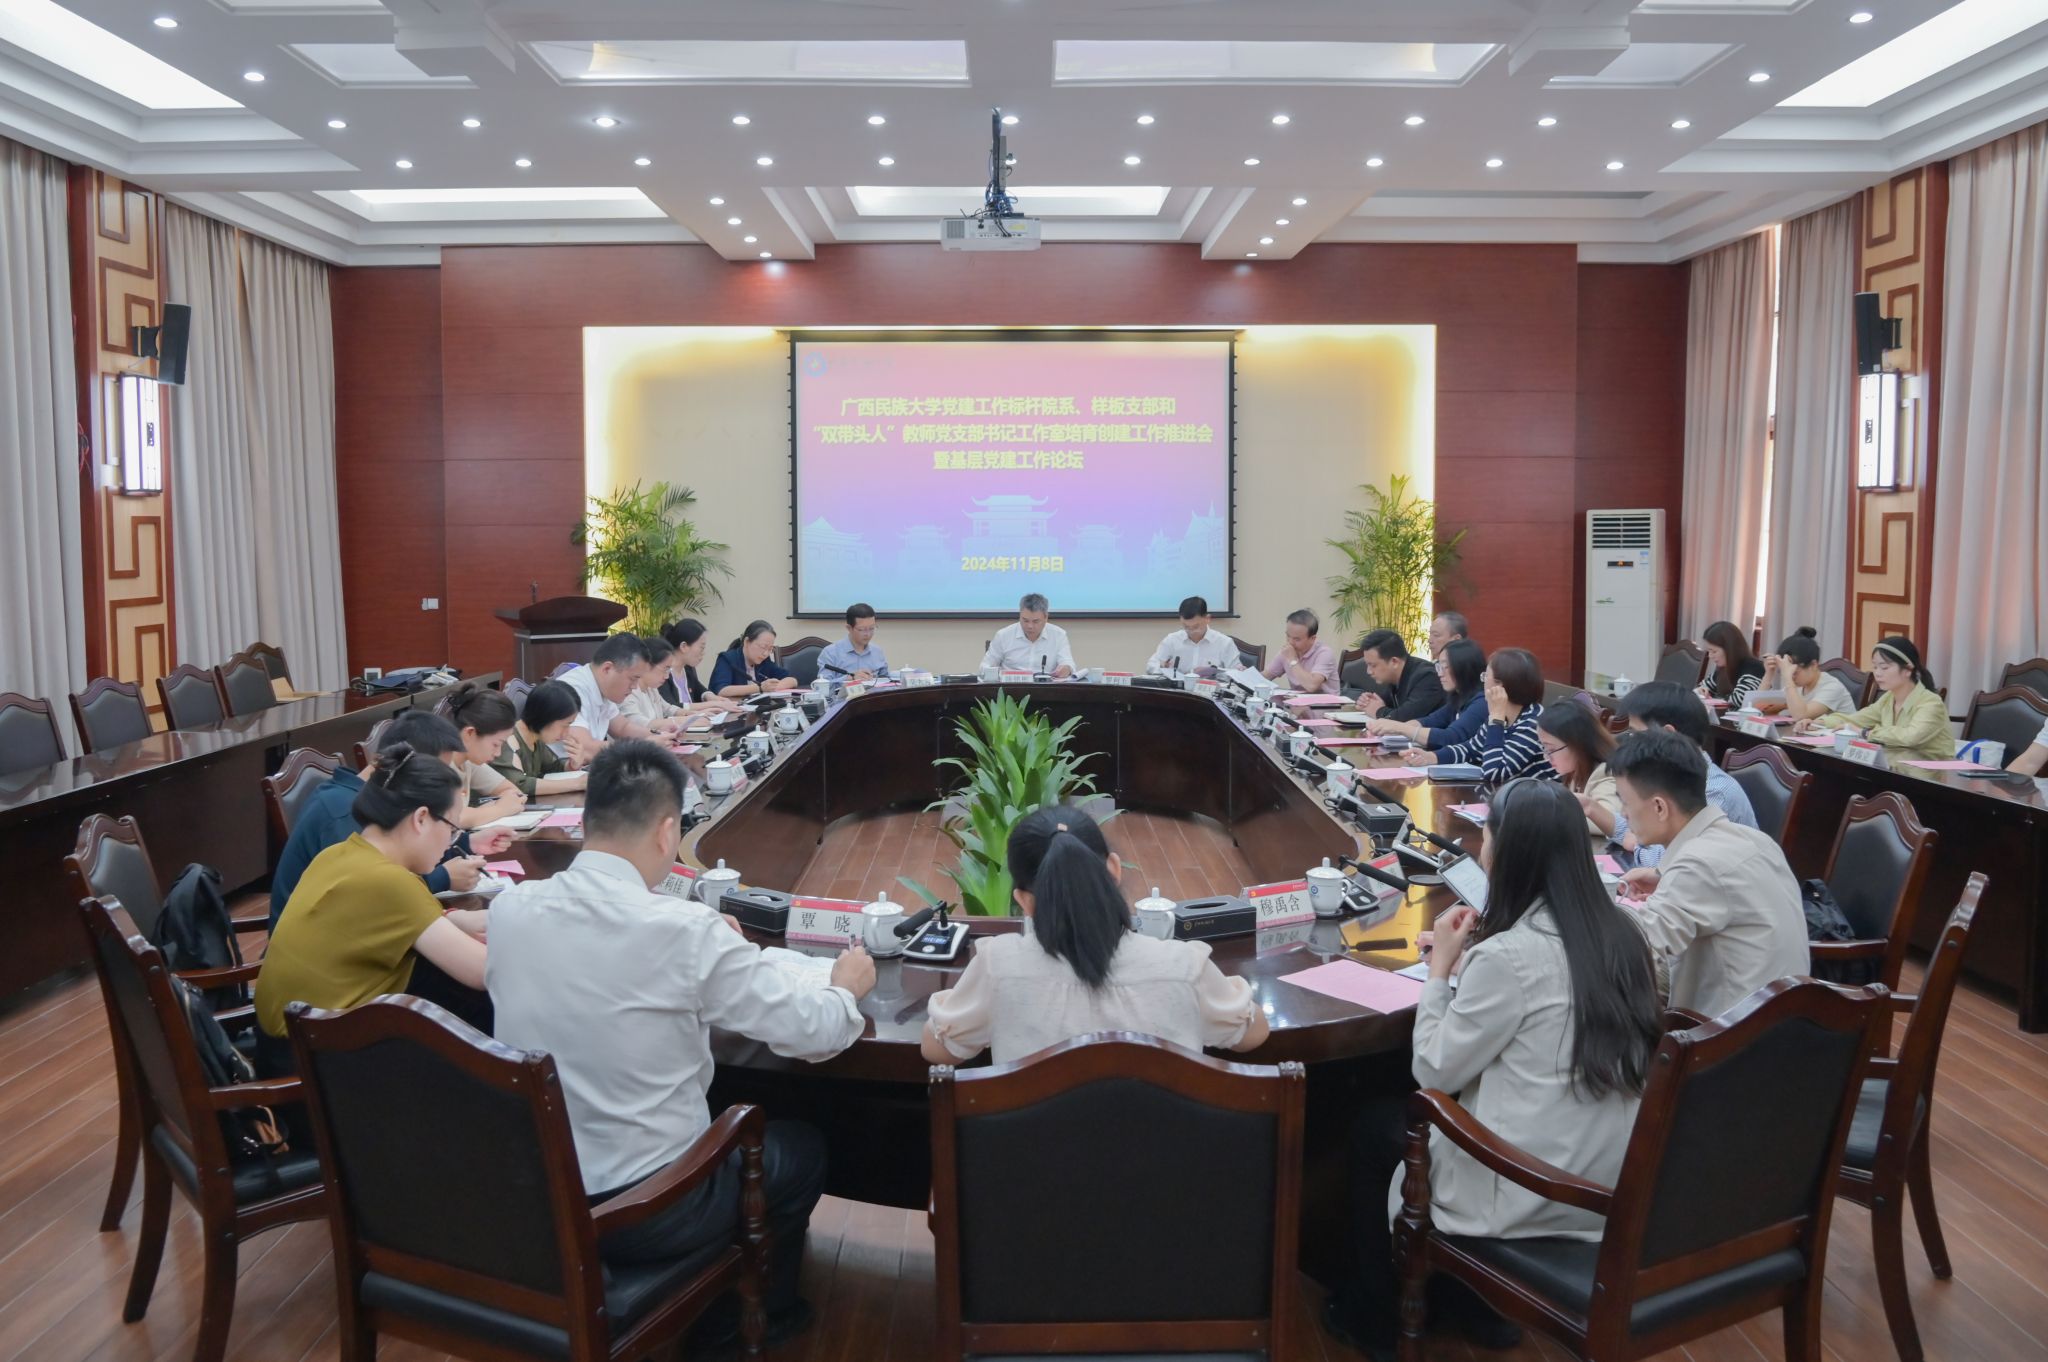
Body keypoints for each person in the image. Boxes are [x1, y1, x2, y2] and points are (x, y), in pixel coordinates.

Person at [488, 741, 875, 1344]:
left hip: (535, 1195)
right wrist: (845, 988)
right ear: (668, 831)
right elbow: (814, 1032)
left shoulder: (512, 909)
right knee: (799, 1149)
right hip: (648, 1209)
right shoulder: (683, 930)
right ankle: (737, 1326)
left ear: (587, 820)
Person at [1323, 781, 1660, 1360]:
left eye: (1486, 838)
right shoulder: (1627, 935)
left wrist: (1441, 971)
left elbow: (1433, 1070)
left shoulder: (1507, 957)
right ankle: (1475, 1307)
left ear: (1505, 853)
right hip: (1606, 1181)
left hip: (1528, 1189)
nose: (1481, 849)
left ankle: (1376, 1315)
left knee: (1377, 1126)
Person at [922, 805, 1267, 1064]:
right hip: (1165, 1144)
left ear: (1024, 901)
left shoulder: (998, 966)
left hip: (1038, 1145)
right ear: (1114, 869)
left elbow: (937, 1049)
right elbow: (1252, 1034)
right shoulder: (1184, 966)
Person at [254, 743, 491, 1076]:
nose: (451, 843)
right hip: (312, 1064)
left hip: (281, 1041)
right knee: (481, 1010)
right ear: (421, 818)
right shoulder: (390, 881)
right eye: (452, 829)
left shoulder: (341, 853)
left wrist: (462, 920)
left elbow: (397, 922)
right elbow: (483, 972)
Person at [1612, 729, 1809, 1017]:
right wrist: (1665, 878)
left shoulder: (1698, 865)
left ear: (1659, 807)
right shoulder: (1754, 839)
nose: (1623, 813)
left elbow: (1635, 949)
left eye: (1625, 802)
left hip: (1730, 1032)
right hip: (1786, 1018)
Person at [268, 711, 506, 929]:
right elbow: (369, 897)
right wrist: (441, 878)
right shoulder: (344, 814)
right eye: (436, 776)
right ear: (408, 767)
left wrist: (466, 843)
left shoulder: (370, 799)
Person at [1596, 681, 1757, 869]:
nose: (1630, 741)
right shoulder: (1668, 778)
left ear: (1667, 734)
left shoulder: (1712, 791)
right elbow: (1632, 827)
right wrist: (1590, 808)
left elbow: (1666, 862)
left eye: (1635, 734)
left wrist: (1635, 844)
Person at [1406, 647, 1554, 786]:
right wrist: (1431, 757)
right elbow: (1471, 749)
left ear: (1500, 686)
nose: (1483, 683)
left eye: (1485, 676)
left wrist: (1496, 719)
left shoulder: (1533, 723)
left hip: (1538, 801)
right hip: (1508, 795)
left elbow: (1495, 773)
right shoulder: (1502, 715)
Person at [1799, 636, 1956, 762]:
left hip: (1933, 777)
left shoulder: (1931, 702)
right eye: (1875, 667)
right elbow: (1856, 719)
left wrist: (1866, 733)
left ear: (1908, 670)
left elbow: (1911, 737)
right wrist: (1819, 723)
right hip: (1897, 770)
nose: (1878, 673)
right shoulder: (1888, 698)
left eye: (1884, 667)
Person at [1370, 639, 1486, 752]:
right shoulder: (1458, 698)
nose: (1440, 674)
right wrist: (1391, 730)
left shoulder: (1482, 702)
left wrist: (1399, 728)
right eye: (1439, 666)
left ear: (1464, 667)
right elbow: (1429, 721)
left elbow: (1450, 738)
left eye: (1445, 667)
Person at [560, 632, 652, 765]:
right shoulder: (571, 689)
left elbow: (623, 728)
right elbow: (585, 748)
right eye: (633, 678)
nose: (635, 686)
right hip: (561, 772)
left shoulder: (602, 687)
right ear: (607, 669)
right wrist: (645, 746)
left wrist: (659, 737)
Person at [1538, 702, 1621, 850]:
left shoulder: (1606, 772)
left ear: (1577, 745)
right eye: (1544, 748)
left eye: (1551, 749)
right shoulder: (1575, 771)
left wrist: (1547, 814)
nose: (1546, 756)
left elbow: (1611, 821)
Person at [444, 681, 528, 827]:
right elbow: (452, 819)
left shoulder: (467, 760)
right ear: (470, 733)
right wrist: (500, 809)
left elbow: (514, 792)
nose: (498, 753)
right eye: (496, 744)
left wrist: (484, 812)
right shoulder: (440, 763)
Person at [489, 679, 590, 799]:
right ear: (546, 716)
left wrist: (572, 765)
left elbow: (553, 767)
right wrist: (577, 784)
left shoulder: (536, 739)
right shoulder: (507, 740)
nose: (567, 733)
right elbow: (520, 785)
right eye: (565, 725)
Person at [1761, 627, 1857, 720]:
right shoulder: (1798, 686)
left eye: (1794, 672)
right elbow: (1761, 709)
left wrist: (1788, 678)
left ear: (1813, 665)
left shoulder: (1832, 687)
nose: (1791, 676)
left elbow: (1801, 715)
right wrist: (1768, 675)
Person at [1351, 628, 1445, 721]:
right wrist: (1367, 702)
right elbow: (1384, 704)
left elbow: (1406, 717)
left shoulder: (1427, 677)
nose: (1369, 671)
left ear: (1394, 662)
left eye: (1373, 665)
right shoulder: (1394, 677)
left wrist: (1378, 711)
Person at [657, 618, 744, 715]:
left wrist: (712, 697)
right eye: (701, 647)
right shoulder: (663, 673)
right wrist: (715, 704)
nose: (703, 653)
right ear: (684, 646)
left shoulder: (687, 668)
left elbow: (699, 689)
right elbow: (671, 707)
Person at [983, 593, 1076, 677]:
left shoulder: (1059, 635)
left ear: (1046, 617)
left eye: (1035, 621)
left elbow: (1068, 663)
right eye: (1025, 620)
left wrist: (1066, 669)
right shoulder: (1003, 635)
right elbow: (984, 667)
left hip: (1045, 688)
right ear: (1020, 615)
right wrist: (998, 673)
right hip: (1011, 688)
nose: (1030, 626)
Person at [1147, 595, 1242, 675]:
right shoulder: (1172, 640)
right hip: (1179, 689)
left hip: (1210, 689)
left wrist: (1217, 673)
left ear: (1207, 618)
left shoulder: (1224, 643)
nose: (1191, 631)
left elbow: (1236, 674)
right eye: (1186, 626)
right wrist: (1162, 667)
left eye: (1196, 627)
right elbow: (1151, 666)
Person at [619, 634, 693, 731]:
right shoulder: (628, 690)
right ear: (647, 665)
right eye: (665, 669)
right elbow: (640, 723)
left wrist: (691, 715)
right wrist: (684, 720)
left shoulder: (651, 689)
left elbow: (668, 709)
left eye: (669, 671)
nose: (667, 676)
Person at [710, 620, 799, 698]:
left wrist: (772, 687)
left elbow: (792, 680)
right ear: (746, 642)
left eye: (770, 649)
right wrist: (760, 688)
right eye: (763, 647)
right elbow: (721, 690)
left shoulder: (764, 661)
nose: (766, 653)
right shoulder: (727, 659)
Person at [1262, 608, 1338, 695]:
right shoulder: (1287, 652)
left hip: (1328, 702)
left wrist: (1292, 660)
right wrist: (1249, 677)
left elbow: (1312, 686)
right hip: (1297, 701)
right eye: (1288, 636)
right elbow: (1264, 677)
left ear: (1312, 639)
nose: (1290, 642)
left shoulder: (1325, 653)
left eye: (1297, 639)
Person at [817, 603, 891, 684]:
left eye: (871, 628)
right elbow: (823, 686)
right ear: (849, 628)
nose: (868, 634)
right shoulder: (830, 653)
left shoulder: (877, 651)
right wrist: (849, 678)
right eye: (861, 629)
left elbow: (886, 681)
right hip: (842, 692)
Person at [1699, 620, 1765, 707]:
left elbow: (1739, 700)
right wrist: (1702, 691)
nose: (1710, 656)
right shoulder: (1723, 667)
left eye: (1714, 651)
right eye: (1709, 651)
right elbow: (1703, 688)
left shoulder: (1754, 668)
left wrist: (1715, 698)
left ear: (1730, 650)